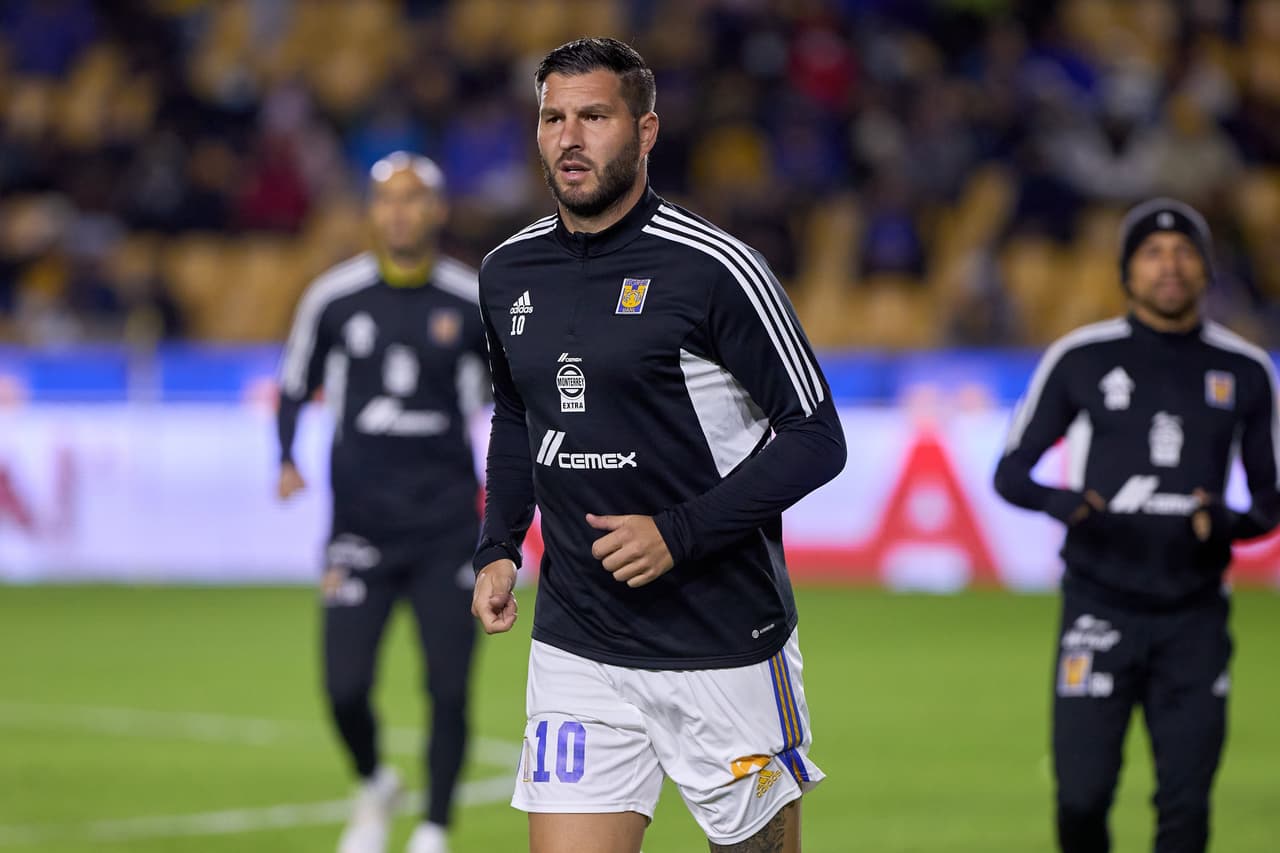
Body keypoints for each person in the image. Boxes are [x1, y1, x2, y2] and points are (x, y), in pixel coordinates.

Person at [469, 38, 847, 853]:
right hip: (579, 638)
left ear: (645, 132)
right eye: (553, 118)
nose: (569, 138)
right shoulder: (506, 272)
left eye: (594, 116)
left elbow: (818, 437)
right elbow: (515, 415)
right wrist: (499, 544)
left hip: (722, 640)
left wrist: (677, 532)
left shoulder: (715, 268)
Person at [994, 197, 1280, 853]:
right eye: (1152, 253)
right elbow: (1010, 474)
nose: (1170, 266)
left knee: (1185, 807)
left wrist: (1229, 522)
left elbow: (1269, 502)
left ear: (1207, 269)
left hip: (1196, 616)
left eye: (1185, 253)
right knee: (1080, 798)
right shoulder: (1081, 358)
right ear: (1127, 271)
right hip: (1099, 607)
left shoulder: (1246, 371)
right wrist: (1063, 503)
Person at [277, 152, 489, 853]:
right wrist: (285, 457)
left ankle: (433, 828)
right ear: (371, 212)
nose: (399, 211)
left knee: (449, 688)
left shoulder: (470, 299)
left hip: (448, 526)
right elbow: (293, 381)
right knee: (342, 687)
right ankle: (374, 782)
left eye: (413, 199)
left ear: (437, 210)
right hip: (360, 525)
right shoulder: (334, 298)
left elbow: (512, 400)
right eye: (386, 199)